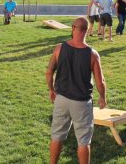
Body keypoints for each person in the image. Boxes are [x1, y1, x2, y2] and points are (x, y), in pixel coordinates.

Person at [45, 17, 107, 164]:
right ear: (86, 30)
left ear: (73, 28)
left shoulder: (59, 48)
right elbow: (100, 81)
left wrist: (51, 90)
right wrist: (103, 98)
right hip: (82, 102)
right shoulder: (93, 54)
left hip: (61, 99)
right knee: (84, 141)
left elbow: (49, 73)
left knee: (57, 136)